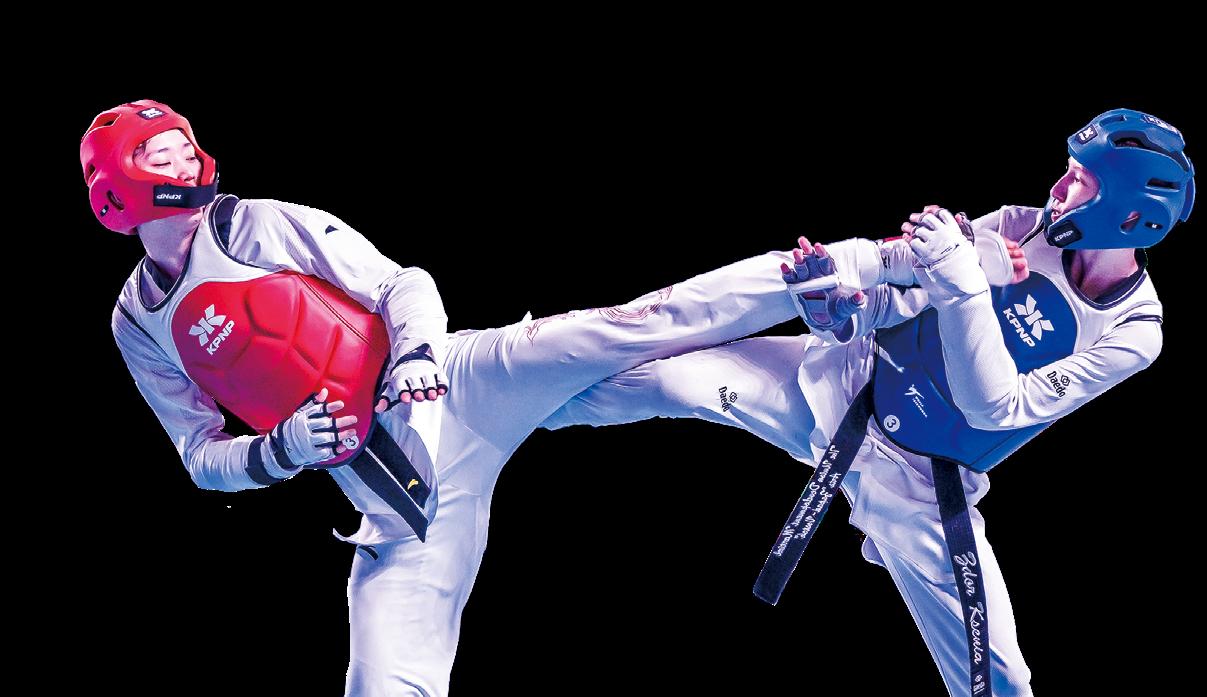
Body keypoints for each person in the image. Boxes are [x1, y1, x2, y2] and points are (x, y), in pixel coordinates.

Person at [86, 98, 819, 696]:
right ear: (119, 191)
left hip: (461, 382)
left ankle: (840, 273)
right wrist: (280, 450)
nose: (186, 163)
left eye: (185, 147)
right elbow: (200, 458)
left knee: (633, 334)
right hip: (402, 505)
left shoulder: (258, 223)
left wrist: (415, 354)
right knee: (380, 684)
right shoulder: (137, 324)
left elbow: (401, 283)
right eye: (161, 157)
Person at [540, 108, 1195, 696]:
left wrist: (963, 285)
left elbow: (995, 408)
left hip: (921, 485)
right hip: (846, 387)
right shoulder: (1021, 228)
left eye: (1080, 180)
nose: (1057, 187)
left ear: (1128, 214)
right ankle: (508, 399)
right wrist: (840, 310)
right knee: (662, 380)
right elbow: (899, 300)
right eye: (1067, 170)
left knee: (997, 679)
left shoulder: (1134, 332)